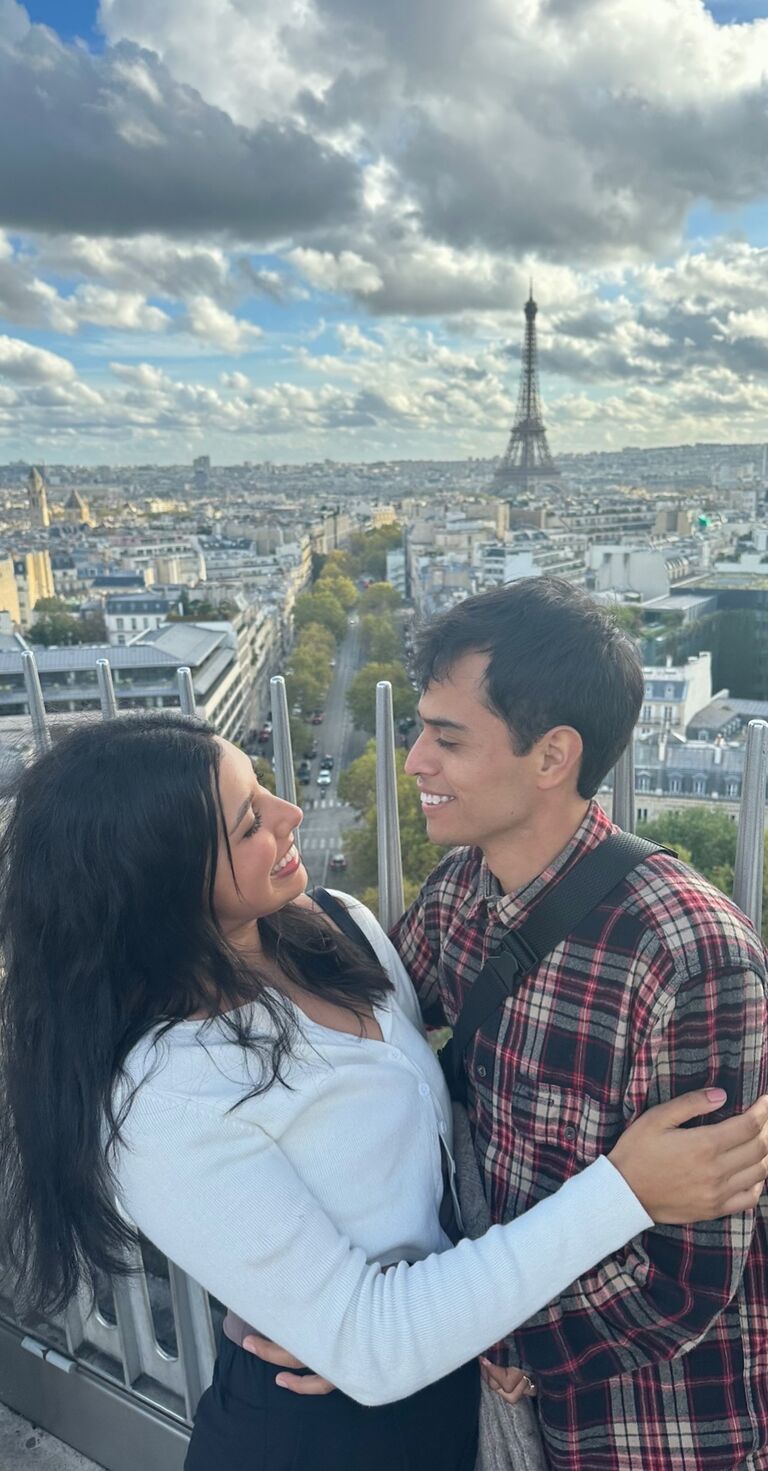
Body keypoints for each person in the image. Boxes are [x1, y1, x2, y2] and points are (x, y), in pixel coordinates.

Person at [0, 714, 766, 1471]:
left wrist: (389, 1334)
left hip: (450, 1394)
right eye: (247, 823)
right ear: (163, 884)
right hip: (317, 1433)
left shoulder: (339, 928)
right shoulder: (163, 1095)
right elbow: (370, 1345)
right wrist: (624, 1190)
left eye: (262, 787)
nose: (288, 812)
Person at [388, 577, 768, 1470]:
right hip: (515, 1403)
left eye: (447, 738)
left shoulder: (687, 950)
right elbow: (365, 1036)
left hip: (655, 1423)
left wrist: (501, 1336)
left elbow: (690, 1274)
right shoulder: (461, 895)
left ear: (552, 754)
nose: (413, 761)